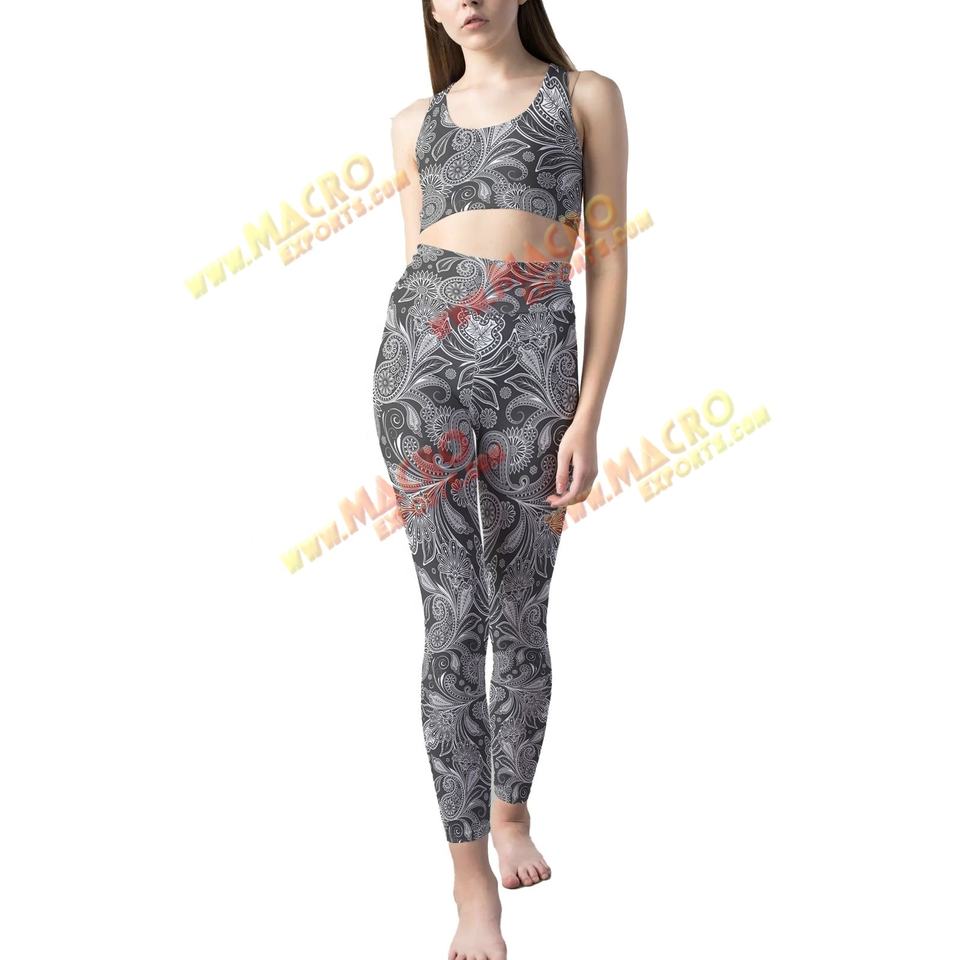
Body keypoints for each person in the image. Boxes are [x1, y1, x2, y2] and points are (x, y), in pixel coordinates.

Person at [371, 2, 627, 957]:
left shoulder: (584, 97)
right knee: (451, 618)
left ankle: (512, 810)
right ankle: (470, 879)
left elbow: (608, 261)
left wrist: (587, 413)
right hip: (421, 370)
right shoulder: (415, 122)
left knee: (521, 604)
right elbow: (415, 261)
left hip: (536, 366)